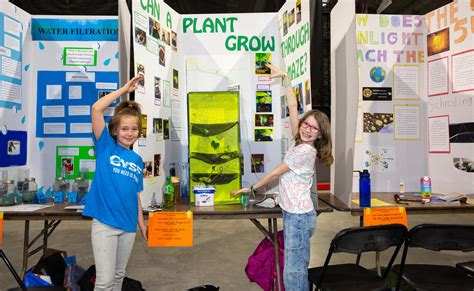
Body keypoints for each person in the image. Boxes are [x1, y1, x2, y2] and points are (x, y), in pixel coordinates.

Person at [232, 64, 333, 291]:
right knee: (293, 267)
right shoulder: (300, 141)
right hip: (295, 214)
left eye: (314, 129)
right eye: (306, 124)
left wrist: (252, 189)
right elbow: (294, 108)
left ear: (320, 134)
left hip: (299, 218)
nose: (307, 129)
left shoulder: (306, 151)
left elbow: (277, 172)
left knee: (294, 272)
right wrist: (286, 80)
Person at [82, 75, 147, 291]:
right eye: (125, 128)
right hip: (105, 224)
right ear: (115, 130)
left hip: (128, 226)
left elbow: (135, 194)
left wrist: (142, 224)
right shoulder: (105, 146)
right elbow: (96, 109)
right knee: (104, 281)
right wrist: (125, 89)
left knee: (119, 277)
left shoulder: (137, 160)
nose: (130, 133)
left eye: (134, 129)